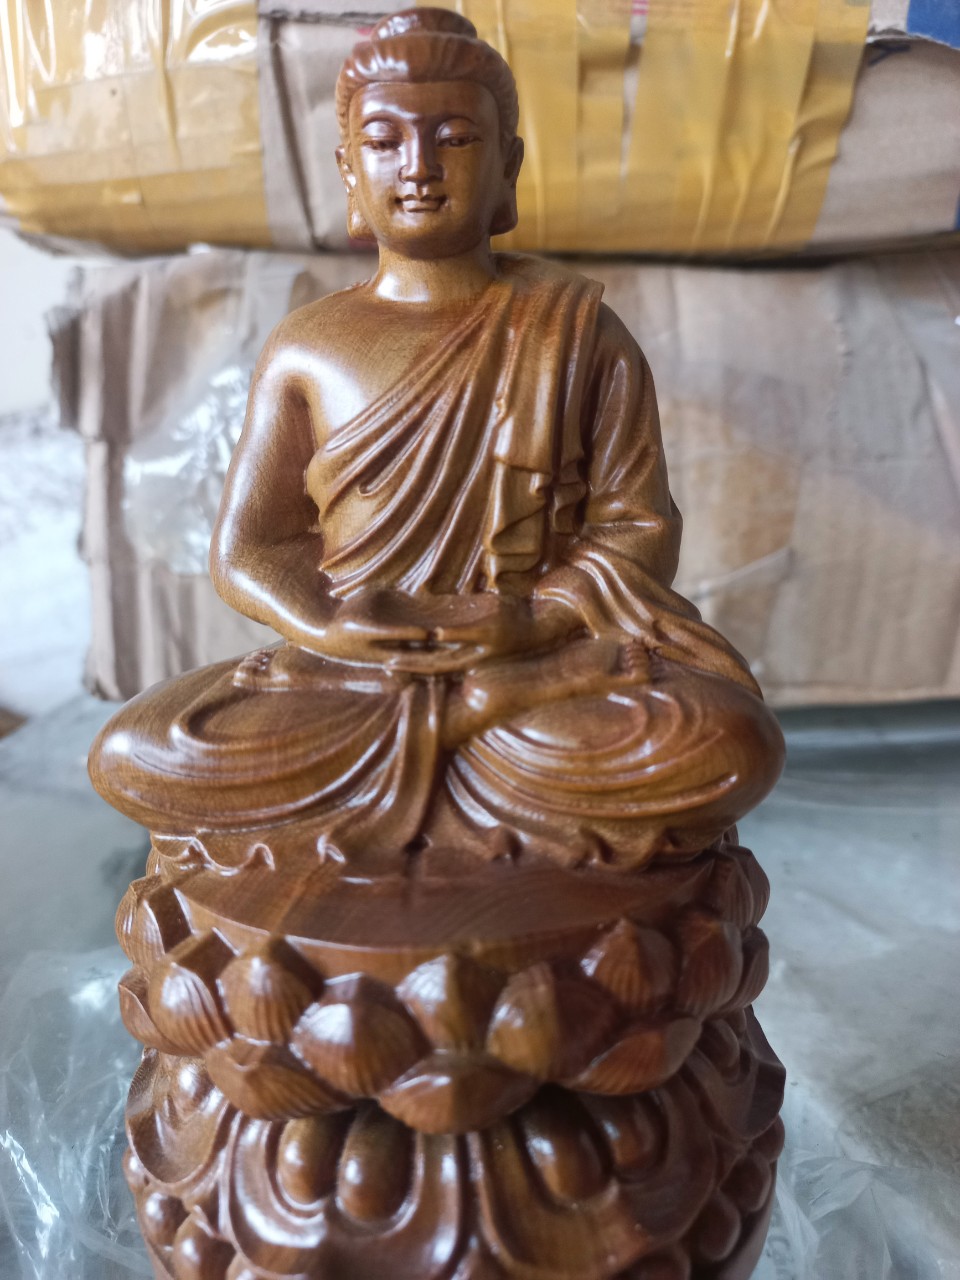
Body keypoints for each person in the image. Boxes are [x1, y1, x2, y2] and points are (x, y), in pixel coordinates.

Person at [90, 9, 783, 871]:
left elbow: (635, 529)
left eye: (454, 140)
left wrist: (533, 621)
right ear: (349, 169)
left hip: (529, 661)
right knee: (137, 749)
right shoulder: (308, 345)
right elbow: (249, 550)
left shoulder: (577, 332)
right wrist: (326, 623)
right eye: (384, 142)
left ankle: (483, 721)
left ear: (507, 168)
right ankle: (468, 736)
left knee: (727, 742)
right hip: (351, 675)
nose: (418, 167)